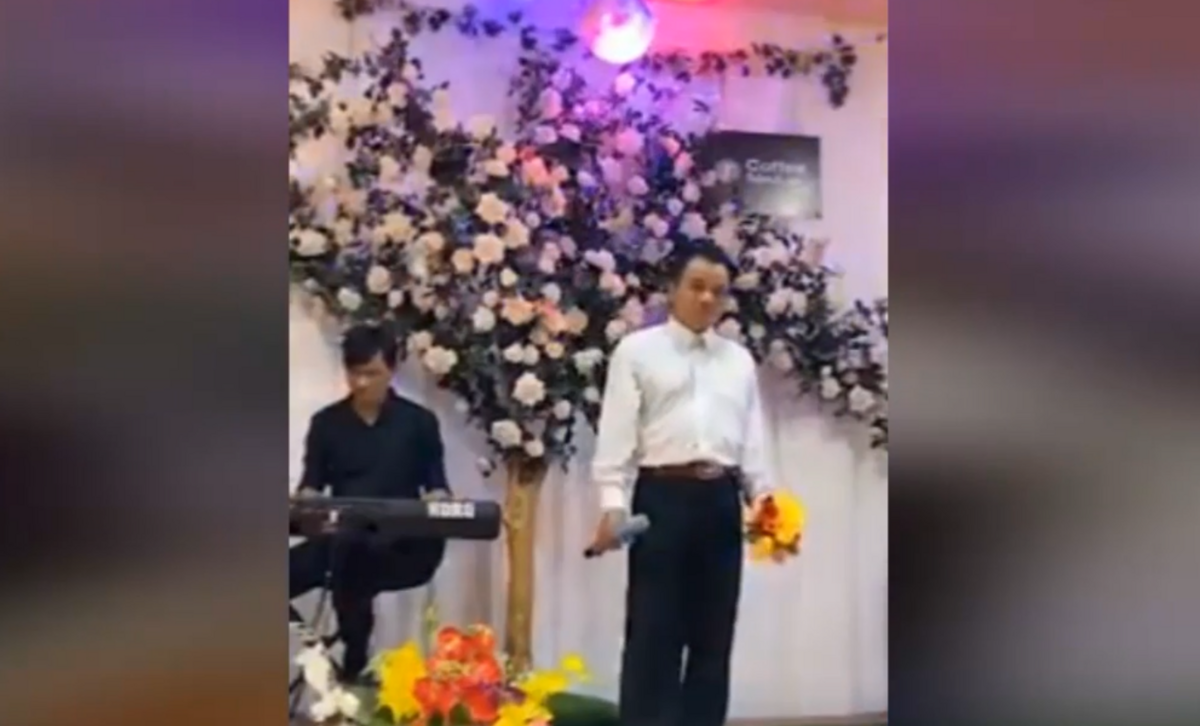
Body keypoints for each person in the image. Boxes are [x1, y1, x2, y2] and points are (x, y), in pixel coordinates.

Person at [587, 241, 769, 726]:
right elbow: (617, 435)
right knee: (653, 633)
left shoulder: (738, 361)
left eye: (718, 291)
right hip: (661, 499)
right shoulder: (637, 352)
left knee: (713, 636)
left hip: (721, 501)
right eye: (697, 286)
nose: (707, 298)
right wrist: (612, 503)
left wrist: (764, 500)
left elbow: (752, 440)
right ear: (673, 289)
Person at [289, 324, 451, 683]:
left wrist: (439, 503)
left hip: (404, 548)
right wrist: (305, 501)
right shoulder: (326, 424)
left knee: (352, 559)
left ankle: (354, 662)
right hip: (342, 542)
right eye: (354, 373)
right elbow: (311, 487)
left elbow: (438, 488)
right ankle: (335, 663)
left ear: (392, 370)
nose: (361, 383)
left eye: (371, 373)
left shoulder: (419, 423)